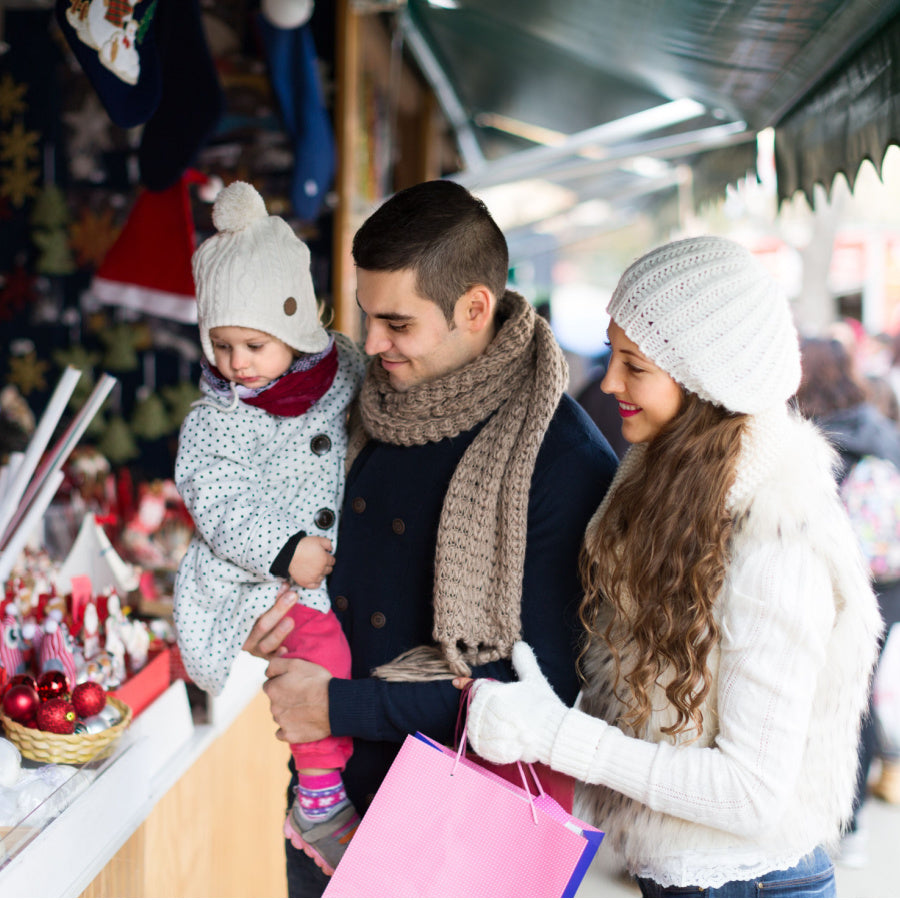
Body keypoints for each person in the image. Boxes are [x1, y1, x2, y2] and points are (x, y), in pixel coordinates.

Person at [461, 236, 882, 898]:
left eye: (635, 365)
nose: (608, 382)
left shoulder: (777, 537)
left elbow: (751, 794)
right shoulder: (666, 492)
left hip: (754, 885)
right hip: (681, 877)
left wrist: (558, 736)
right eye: (611, 353)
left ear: (704, 383)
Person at [242, 179, 620, 896]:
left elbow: (541, 698)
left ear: (475, 308)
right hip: (325, 809)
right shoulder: (357, 408)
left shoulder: (562, 460)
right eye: (365, 317)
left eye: (398, 324)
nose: (371, 344)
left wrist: (336, 705)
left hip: (461, 831)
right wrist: (271, 605)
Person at [173, 181, 366, 875]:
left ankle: (322, 792)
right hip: (250, 576)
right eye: (220, 346)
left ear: (297, 325)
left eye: (254, 343)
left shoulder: (342, 374)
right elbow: (217, 502)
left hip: (314, 571)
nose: (236, 364)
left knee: (329, 658)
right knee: (319, 658)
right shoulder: (217, 419)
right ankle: (318, 799)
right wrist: (286, 553)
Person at [795, 336, 900, 864]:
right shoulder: (881, 428)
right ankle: (849, 821)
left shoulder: (808, 430)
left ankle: (810, 813)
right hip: (885, 587)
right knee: (852, 695)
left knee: (808, 693)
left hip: (823, 579)